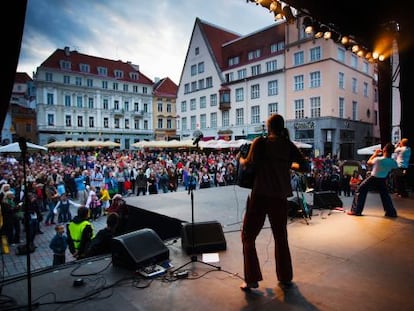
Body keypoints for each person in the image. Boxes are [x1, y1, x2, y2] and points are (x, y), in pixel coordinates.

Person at [238, 114, 309, 291]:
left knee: (248, 236)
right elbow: (305, 167)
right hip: (280, 197)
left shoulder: (260, 143)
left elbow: (247, 164)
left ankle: (252, 279)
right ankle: (285, 277)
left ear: (268, 127)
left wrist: (240, 158)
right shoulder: (288, 145)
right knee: (281, 237)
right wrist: (286, 165)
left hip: (260, 195)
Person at [348, 143, 398, 217]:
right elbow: (395, 170)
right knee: (385, 195)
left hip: (373, 178)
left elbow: (368, 162)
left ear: (384, 150)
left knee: (360, 190)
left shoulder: (378, 159)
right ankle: (391, 212)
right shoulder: (393, 162)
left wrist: (375, 153)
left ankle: (356, 211)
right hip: (383, 179)